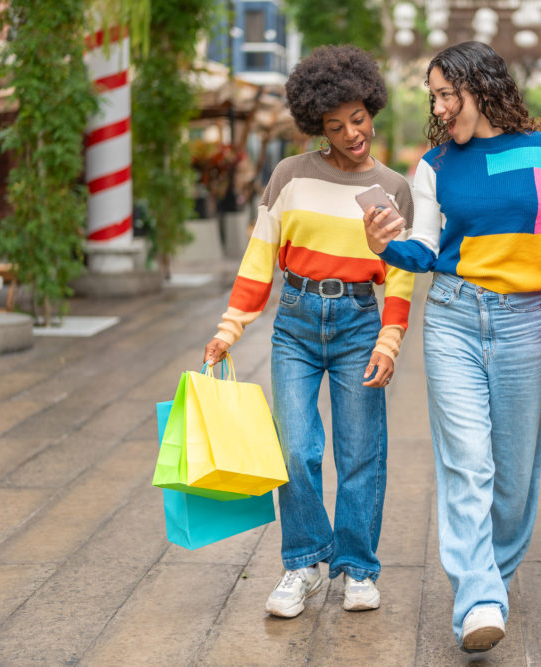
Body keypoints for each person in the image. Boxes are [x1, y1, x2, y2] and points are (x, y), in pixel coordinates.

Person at [362, 41, 541, 652]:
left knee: (513, 477)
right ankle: (479, 596)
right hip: (454, 318)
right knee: (466, 463)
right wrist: (384, 246)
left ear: (476, 85)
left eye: (443, 94)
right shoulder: (434, 166)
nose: (437, 106)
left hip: (528, 322)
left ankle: (492, 582)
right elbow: (424, 251)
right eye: (431, 97)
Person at [203, 45, 414, 619]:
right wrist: (231, 328)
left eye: (359, 119)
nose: (352, 133)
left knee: (360, 453)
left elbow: (400, 276)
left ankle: (357, 568)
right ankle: (303, 563)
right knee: (295, 450)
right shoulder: (289, 175)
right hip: (294, 322)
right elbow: (260, 255)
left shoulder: (395, 189)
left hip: (357, 322)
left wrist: (389, 340)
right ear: (316, 125)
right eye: (335, 125)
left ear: (372, 108)